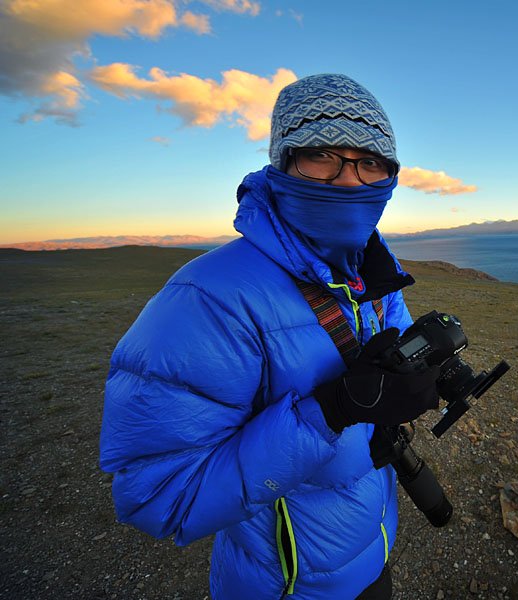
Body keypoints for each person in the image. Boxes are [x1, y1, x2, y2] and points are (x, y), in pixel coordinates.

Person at [99, 73, 441, 599]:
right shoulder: (208, 297)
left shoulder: (372, 274)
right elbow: (159, 496)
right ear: (283, 163)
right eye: (324, 155)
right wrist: (332, 410)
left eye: (371, 162)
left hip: (371, 557)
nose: (351, 180)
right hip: (282, 586)